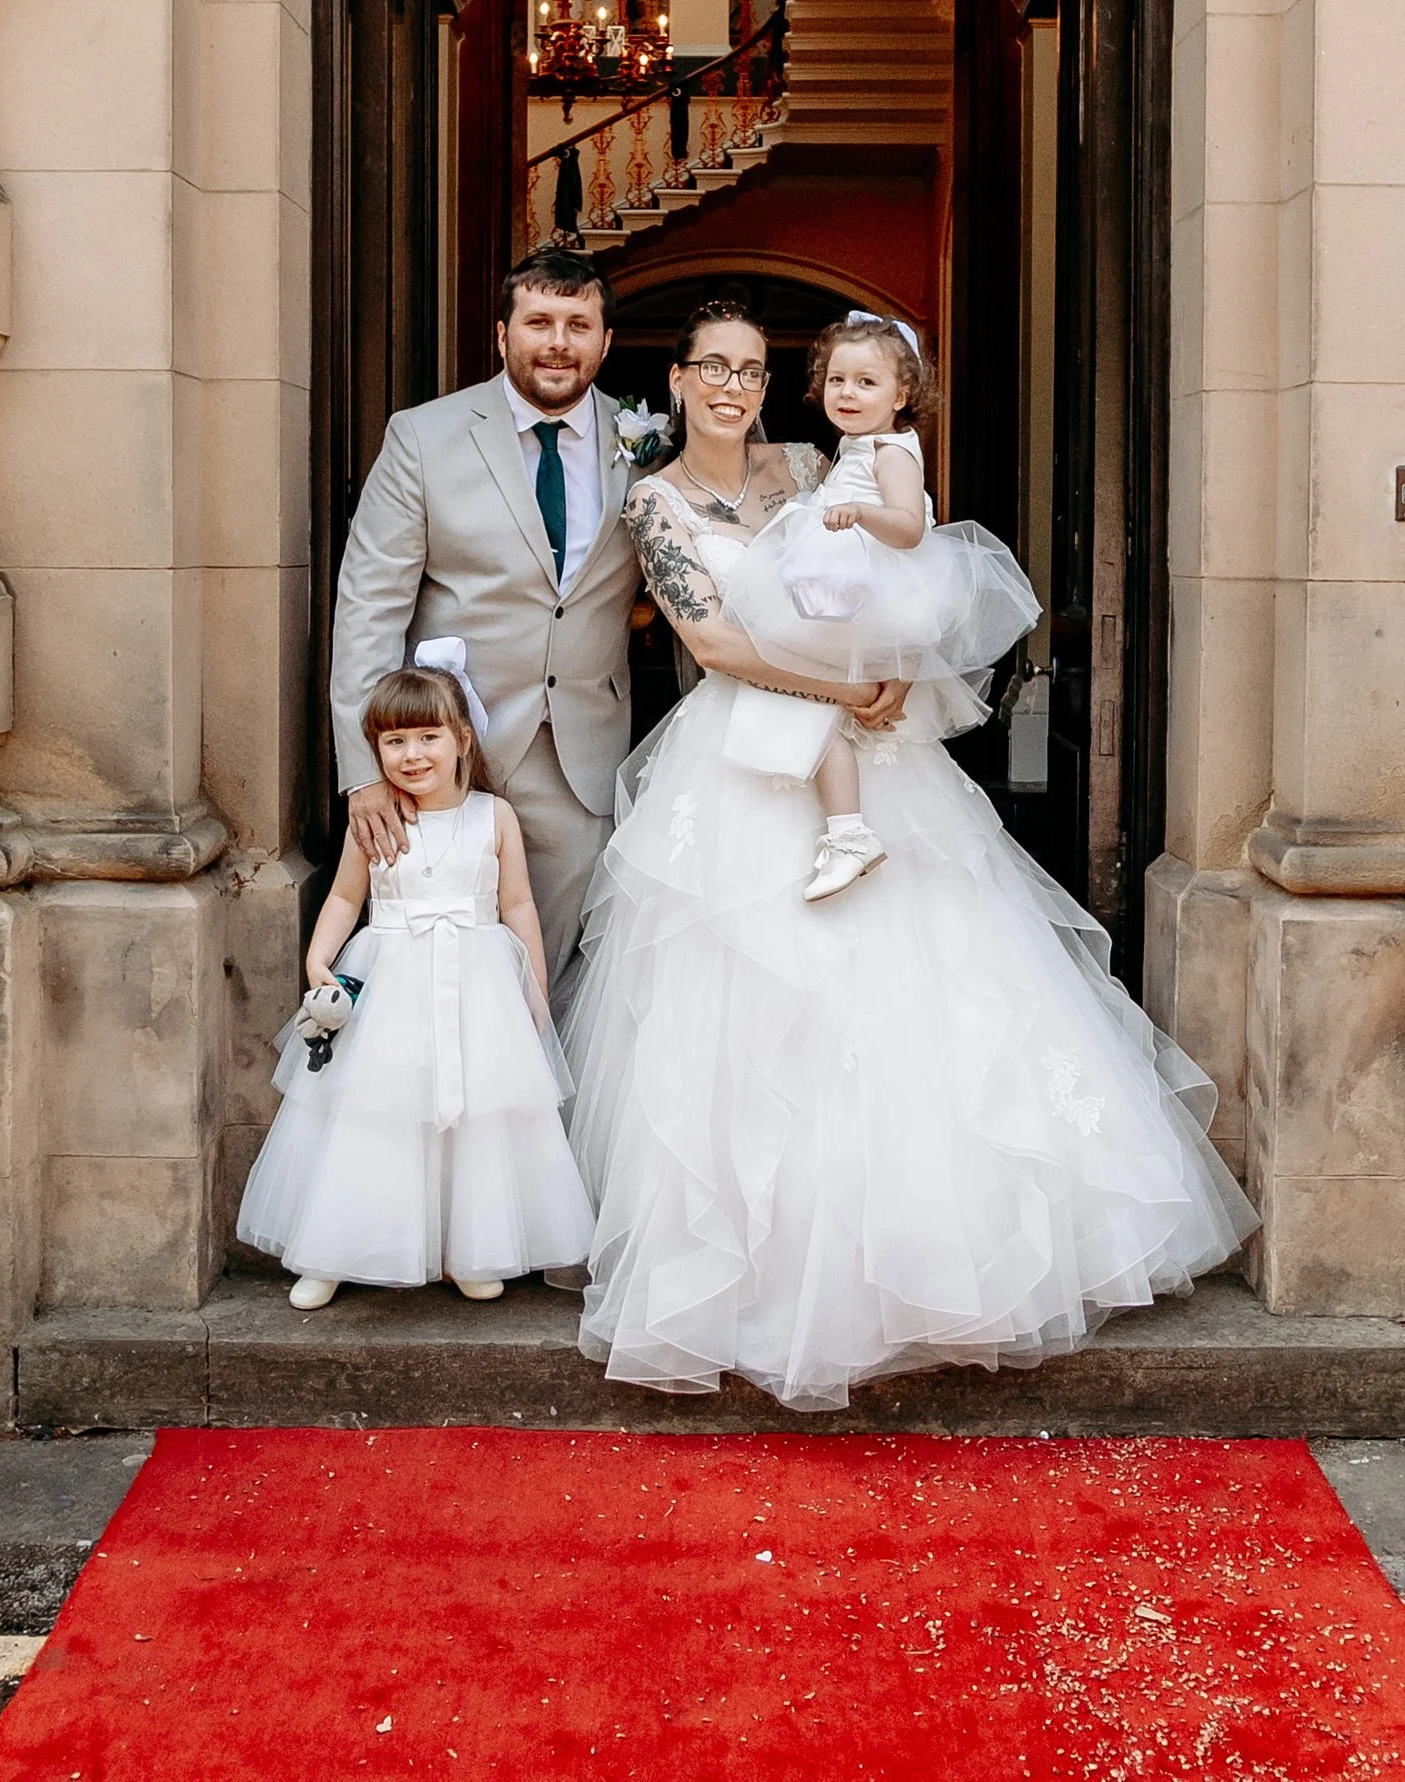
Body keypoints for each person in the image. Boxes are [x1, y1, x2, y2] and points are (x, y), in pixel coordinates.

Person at [562, 291, 1258, 1412]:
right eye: (713, 368)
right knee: (745, 1002)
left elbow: (907, 557)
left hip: (877, 755)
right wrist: (843, 687)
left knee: (924, 981)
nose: (734, 386)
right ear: (679, 380)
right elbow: (708, 635)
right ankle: (753, 1277)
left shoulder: (807, 465)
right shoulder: (652, 500)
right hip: (745, 760)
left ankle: (932, 1260)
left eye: (750, 369)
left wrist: (899, 667)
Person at [237, 659, 595, 1311]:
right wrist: (321, 964)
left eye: (428, 736)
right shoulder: (377, 820)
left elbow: (517, 905)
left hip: (478, 984)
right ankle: (333, 1249)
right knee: (372, 1114)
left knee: (475, 1120)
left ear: (462, 739)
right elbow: (347, 897)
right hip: (393, 978)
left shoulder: (495, 817)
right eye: (394, 741)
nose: (411, 754)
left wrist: (532, 987)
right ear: (375, 748)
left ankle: (472, 1251)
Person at [330, 248, 634, 1000]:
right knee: (434, 969)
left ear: (604, 342)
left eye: (577, 324)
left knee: (558, 976)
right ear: (502, 336)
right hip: (438, 758)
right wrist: (365, 772)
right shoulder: (423, 437)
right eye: (539, 322)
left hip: (582, 760)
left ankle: (539, 1116)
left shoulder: (647, 447)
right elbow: (369, 606)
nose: (558, 341)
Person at [718, 312, 1041, 901]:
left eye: (866, 382)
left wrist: (859, 515)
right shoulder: (858, 446)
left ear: (903, 392)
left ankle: (848, 833)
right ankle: (846, 829)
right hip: (856, 597)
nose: (848, 393)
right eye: (838, 380)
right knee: (813, 704)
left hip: (873, 600)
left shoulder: (890, 452)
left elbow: (911, 529)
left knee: (804, 694)